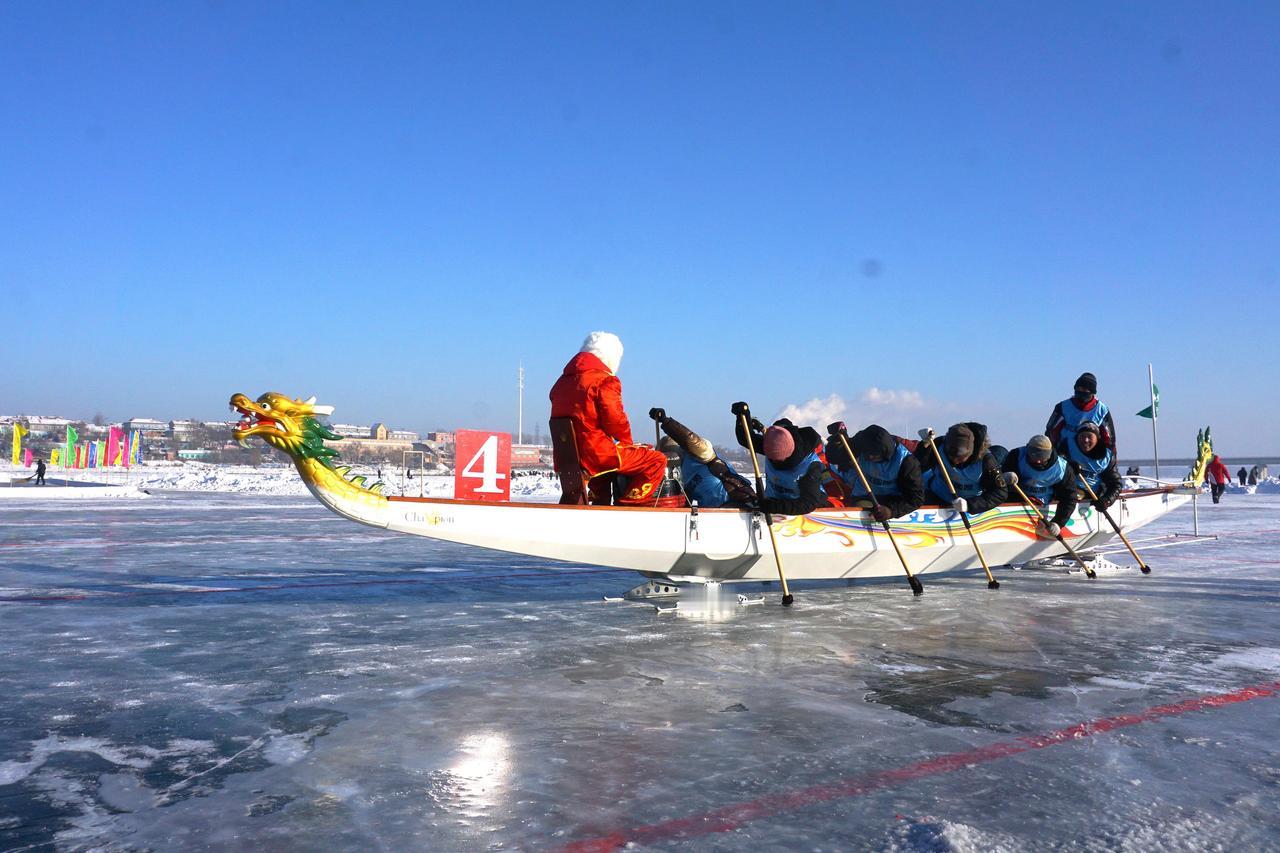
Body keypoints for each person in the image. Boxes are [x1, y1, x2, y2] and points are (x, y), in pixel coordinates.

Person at [549, 331, 667, 506]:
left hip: (568, 457)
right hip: (596, 455)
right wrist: (627, 442)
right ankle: (628, 504)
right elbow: (615, 420)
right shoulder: (604, 380)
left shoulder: (560, 383)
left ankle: (600, 502)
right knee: (657, 460)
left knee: (606, 471)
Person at [736, 416, 835, 515]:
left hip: (804, 508)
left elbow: (808, 504)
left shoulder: (810, 466)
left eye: (778, 459)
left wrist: (773, 506)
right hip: (774, 501)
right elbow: (747, 439)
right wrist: (742, 417)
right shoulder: (771, 445)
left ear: (787, 455)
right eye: (771, 458)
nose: (774, 462)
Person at [826, 424, 924, 521]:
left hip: (893, 500)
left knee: (878, 513)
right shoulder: (863, 443)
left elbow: (915, 499)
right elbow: (834, 457)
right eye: (868, 454)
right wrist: (837, 438)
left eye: (874, 455)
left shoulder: (907, 462)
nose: (870, 458)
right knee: (862, 510)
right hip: (865, 495)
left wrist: (890, 511)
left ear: (885, 451)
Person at [657, 414, 755, 508]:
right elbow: (683, 502)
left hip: (738, 502)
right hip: (711, 514)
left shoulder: (701, 454)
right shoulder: (678, 475)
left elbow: (690, 439)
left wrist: (666, 422)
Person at [916, 422, 1007, 515]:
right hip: (936, 495)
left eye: (960, 458)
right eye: (950, 457)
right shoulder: (938, 445)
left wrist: (970, 505)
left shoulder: (987, 460)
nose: (955, 462)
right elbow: (919, 465)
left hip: (967, 504)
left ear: (971, 453)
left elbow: (1000, 493)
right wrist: (924, 445)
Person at [1002, 434, 1078, 539]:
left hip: (1044, 505)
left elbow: (1070, 498)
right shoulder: (1016, 455)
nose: (1037, 461)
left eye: (1042, 458)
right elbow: (1000, 481)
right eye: (1033, 456)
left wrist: (1058, 523)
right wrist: (1004, 477)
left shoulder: (1062, 468)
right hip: (1018, 499)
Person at [1045, 372, 1116, 451]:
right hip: (1065, 452)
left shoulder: (1102, 410)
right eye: (1078, 388)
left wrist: (1110, 455)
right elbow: (1051, 431)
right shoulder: (1063, 407)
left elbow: (1109, 439)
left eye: (1084, 389)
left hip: (1091, 453)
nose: (1080, 391)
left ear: (1092, 392)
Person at [1059, 422, 1121, 510]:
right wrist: (1068, 466)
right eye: (1082, 436)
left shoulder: (1106, 457)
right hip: (1068, 494)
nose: (1085, 440)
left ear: (1097, 438)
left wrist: (1107, 501)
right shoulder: (1067, 447)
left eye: (1089, 437)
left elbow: (1115, 484)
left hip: (1094, 497)